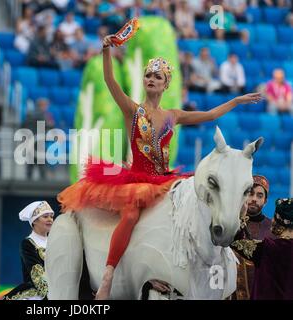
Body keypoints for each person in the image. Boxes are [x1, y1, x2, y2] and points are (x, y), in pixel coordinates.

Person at [57, 34, 263, 300]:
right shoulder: (133, 110)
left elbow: (210, 115)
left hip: (164, 179)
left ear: (166, 84)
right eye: (148, 76)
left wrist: (236, 101)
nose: (151, 79)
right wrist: (107, 51)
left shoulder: (172, 115)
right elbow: (110, 82)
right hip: (136, 180)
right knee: (130, 215)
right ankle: (108, 275)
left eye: (158, 77)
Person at [231, 198, 293, 299]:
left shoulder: (269, 249)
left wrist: (242, 217)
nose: (272, 220)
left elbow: (236, 242)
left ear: (281, 222)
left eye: (274, 217)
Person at [232, 175, 274, 300]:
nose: (254, 199)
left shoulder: (273, 229)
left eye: (260, 195)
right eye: (250, 193)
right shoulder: (230, 226)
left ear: (266, 201)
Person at [3, 201, 54, 300]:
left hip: (58, 289)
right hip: (35, 293)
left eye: (51, 216)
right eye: (45, 216)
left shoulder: (55, 242)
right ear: (34, 221)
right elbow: (37, 275)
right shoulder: (28, 243)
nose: (50, 220)